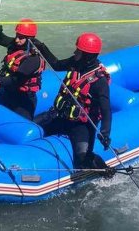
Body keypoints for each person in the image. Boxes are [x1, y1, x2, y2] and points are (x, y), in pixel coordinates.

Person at [34, 33, 115, 176]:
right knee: (33, 127)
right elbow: (57, 65)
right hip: (61, 116)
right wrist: (41, 46)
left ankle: (106, 171)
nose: (74, 52)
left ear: (87, 55)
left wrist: (105, 133)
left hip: (82, 125)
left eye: (78, 50)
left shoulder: (99, 82)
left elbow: (106, 109)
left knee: (82, 158)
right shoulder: (76, 63)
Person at [0, 19, 45, 120]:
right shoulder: (16, 44)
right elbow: (2, 39)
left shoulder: (34, 59)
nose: (17, 40)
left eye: (21, 37)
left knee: (20, 126)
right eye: (17, 35)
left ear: (30, 39)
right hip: (8, 91)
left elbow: (16, 79)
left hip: (23, 100)